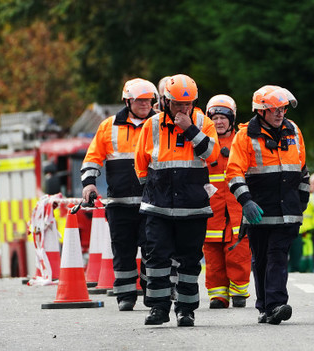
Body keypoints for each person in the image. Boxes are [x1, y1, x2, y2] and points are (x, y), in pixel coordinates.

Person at [134, 74, 220, 327]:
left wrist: (190, 129)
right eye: (178, 104)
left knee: (189, 262)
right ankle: (159, 309)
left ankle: (186, 310)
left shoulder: (204, 123)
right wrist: (151, 189)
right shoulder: (151, 125)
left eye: (188, 104)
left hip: (192, 207)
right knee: (157, 260)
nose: (183, 109)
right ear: (165, 102)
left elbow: (212, 155)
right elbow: (140, 165)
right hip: (158, 206)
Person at [226, 85, 310, 325]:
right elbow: (234, 173)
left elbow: (302, 170)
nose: (279, 113)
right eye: (274, 109)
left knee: (277, 255)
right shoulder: (244, 136)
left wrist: (301, 202)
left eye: (282, 108)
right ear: (261, 111)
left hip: (287, 213)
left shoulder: (294, 131)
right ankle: (264, 306)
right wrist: (246, 202)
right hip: (258, 213)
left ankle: (276, 304)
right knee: (260, 258)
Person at [81, 78, 158, 311]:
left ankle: (151, 288)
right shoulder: (109, 126)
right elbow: (93, 158)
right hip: (120, 203)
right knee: (122, 250)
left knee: (154, 248)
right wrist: (89, 184)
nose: (145, 104)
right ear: (128, 101)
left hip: (153, 202)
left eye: (149, 100)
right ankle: (125, 295)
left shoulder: (160, 124)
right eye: (140, 100)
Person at [203, 94, 251, 309]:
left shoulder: (243, 140)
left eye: (223, 117)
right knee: (212, 254)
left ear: (232, 119)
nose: (218, 122)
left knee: (239, 251)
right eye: (214, 117)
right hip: (211, 210)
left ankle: (239, 290)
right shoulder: (202, 141)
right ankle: (218, 295)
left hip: (237, 208)